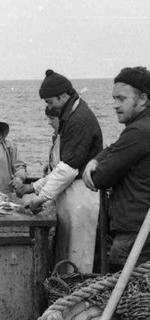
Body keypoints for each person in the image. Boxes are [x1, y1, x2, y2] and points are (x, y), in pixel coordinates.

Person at [22, 69, 103, 273]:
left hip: (82, 197)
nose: (49, 107)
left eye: (50, 102)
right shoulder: (71, 116)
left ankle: (79, 295)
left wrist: (40, 198)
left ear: (63, 96)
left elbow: (67, 169)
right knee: (66, 253)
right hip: (71, 195)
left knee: (80, 254)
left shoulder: (79, 120)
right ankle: (66, 294)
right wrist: (35, 188)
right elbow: (60, 169)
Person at [83, 66, 150, 272]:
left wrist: (95, 167)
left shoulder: (138, 132)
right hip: (140, 231)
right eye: (114, 98)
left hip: (136, 235)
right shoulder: (140, 128)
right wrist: (96, 159)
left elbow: (100, 178)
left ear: (143, 99)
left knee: (126, 300)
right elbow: (114, 147)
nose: (115, 105)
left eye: (122, 99)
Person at [15, 105, 60, 197]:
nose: (49, 122)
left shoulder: (66, 139)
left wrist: (32, 187)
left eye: (52, 118)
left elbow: (61, 174)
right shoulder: (57, 137)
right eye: (48, 118)